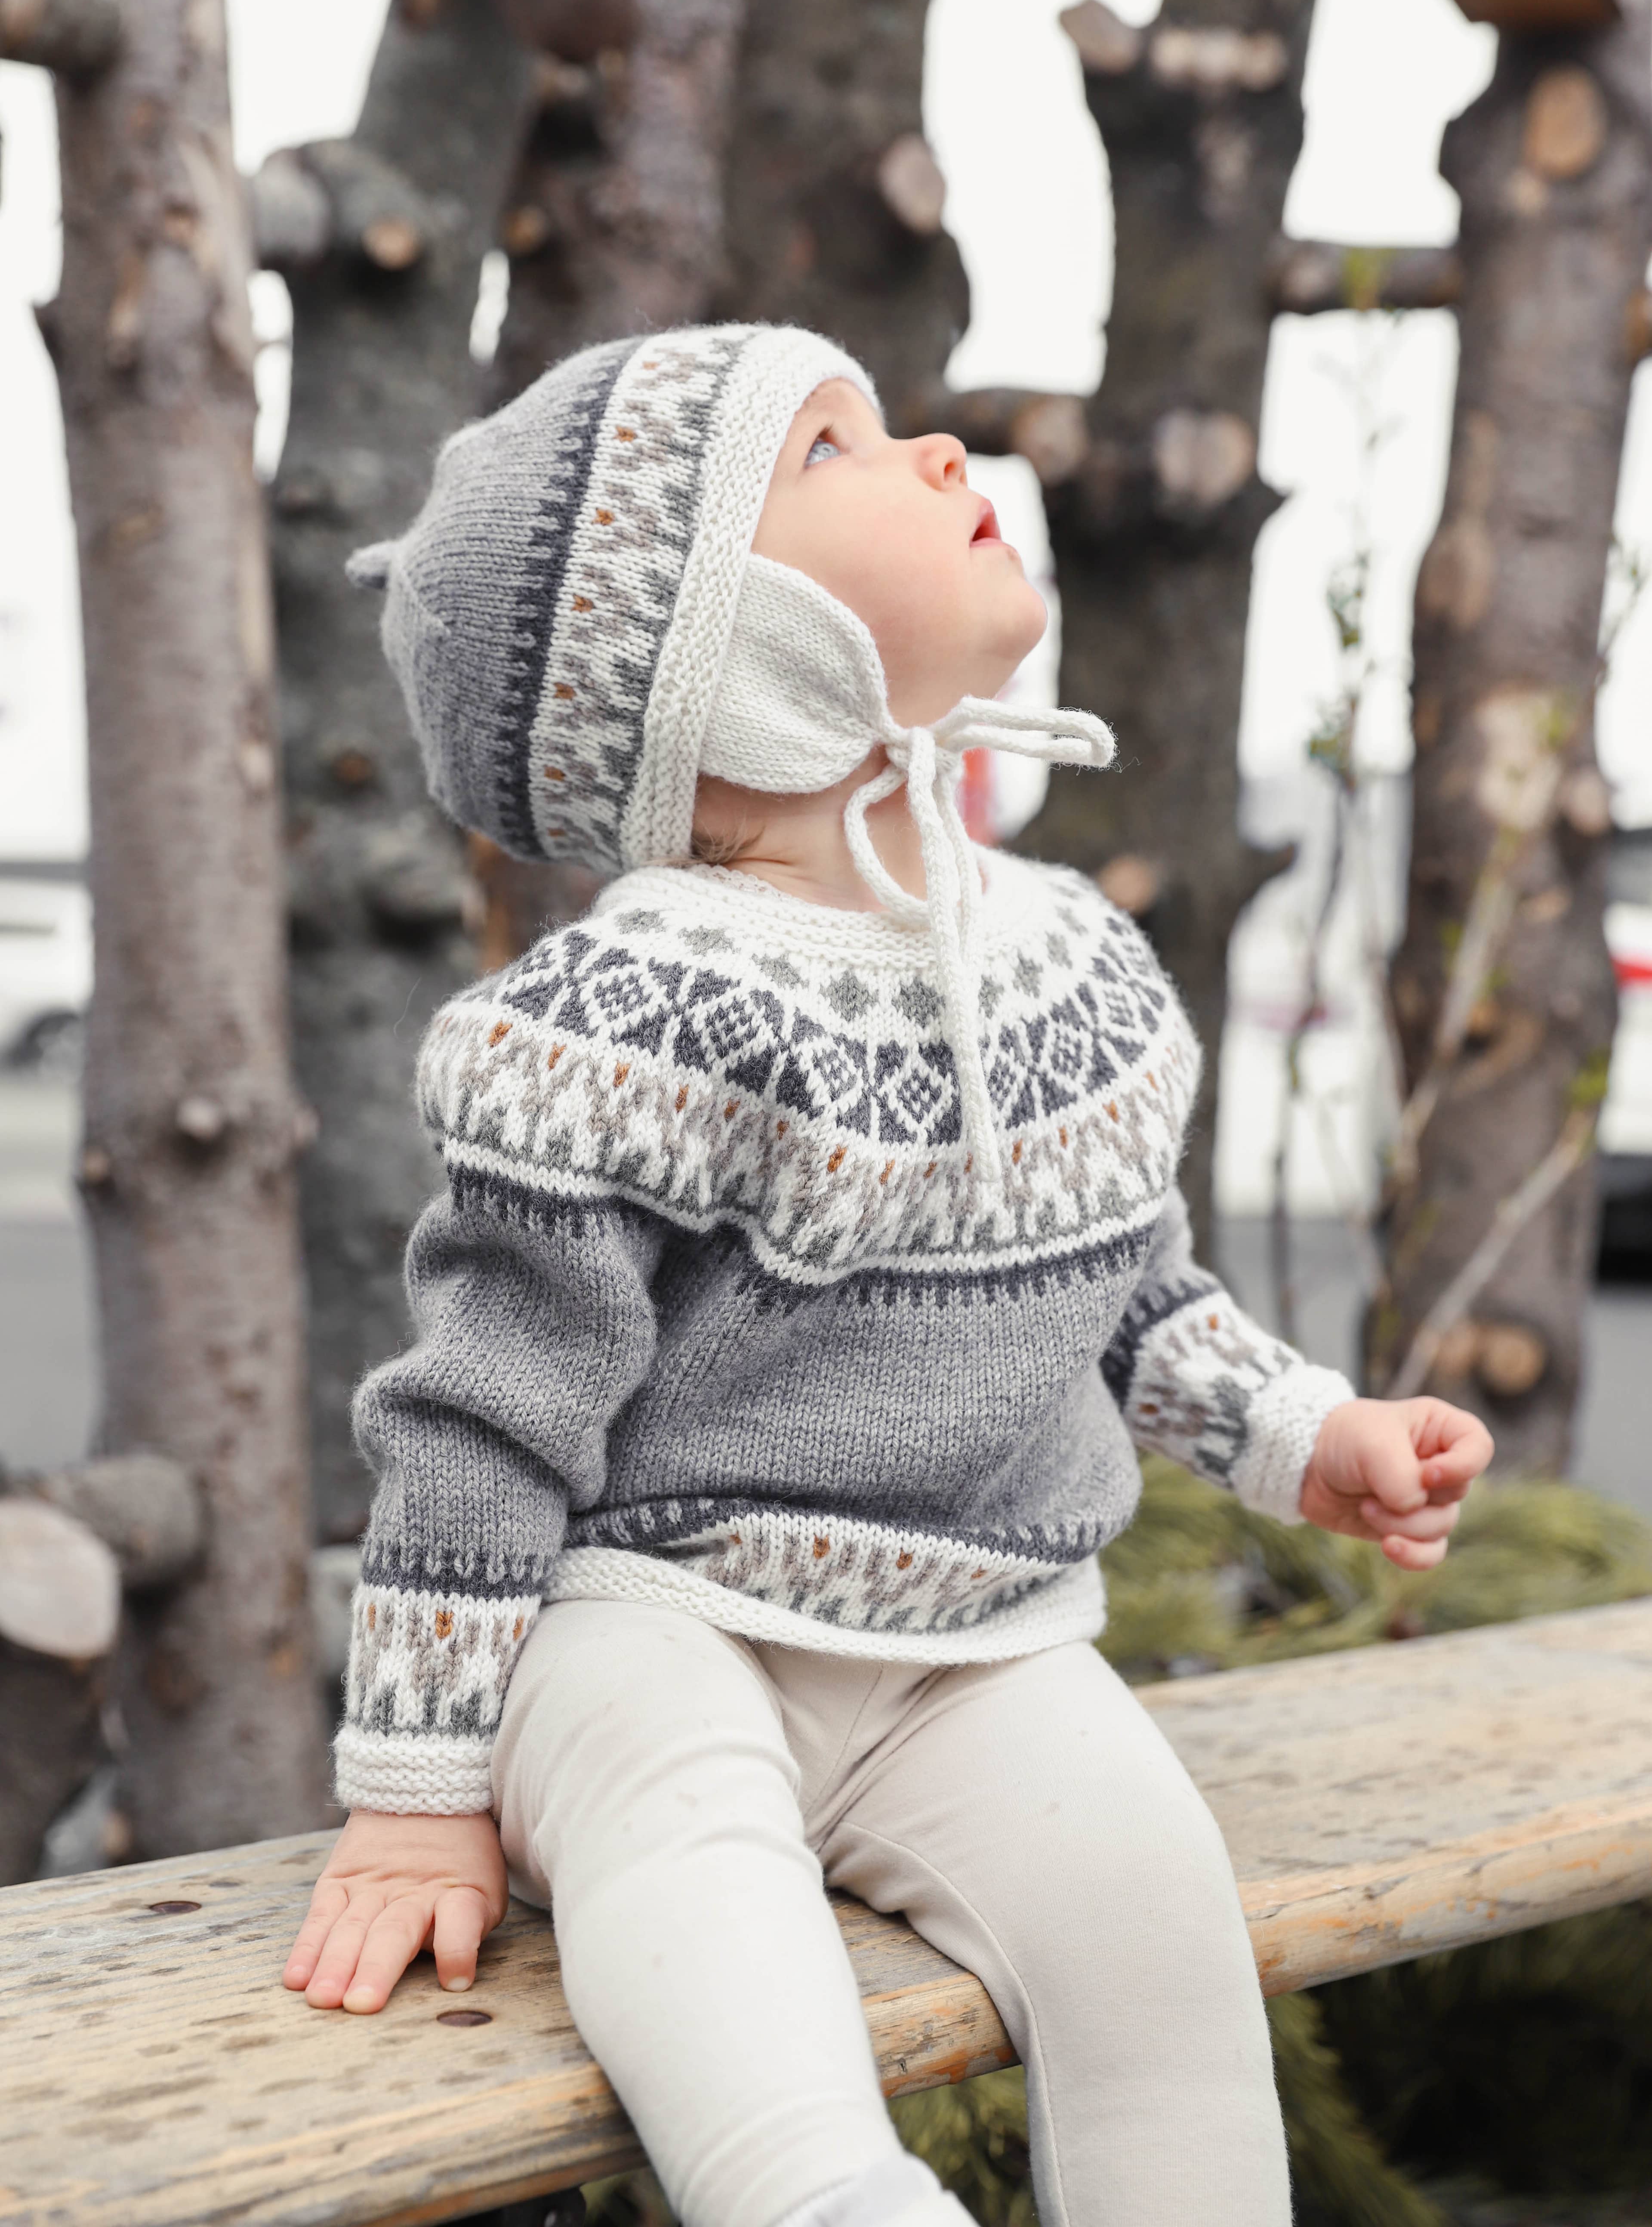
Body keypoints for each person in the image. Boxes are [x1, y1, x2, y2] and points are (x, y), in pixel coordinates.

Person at [282, 324, 1494, 2227]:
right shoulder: (627, 1012)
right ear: (706, 648)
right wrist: (420, 1788)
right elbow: (481, 1420)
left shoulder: (1071, 959)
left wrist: (1303, 1432)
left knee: (1161, 1939)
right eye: (833, 446)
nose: (935, 446)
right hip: (654, 1614)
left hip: (978, 1641)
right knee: (684, 1862)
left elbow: (1132, 1293)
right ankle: (824, 2198)